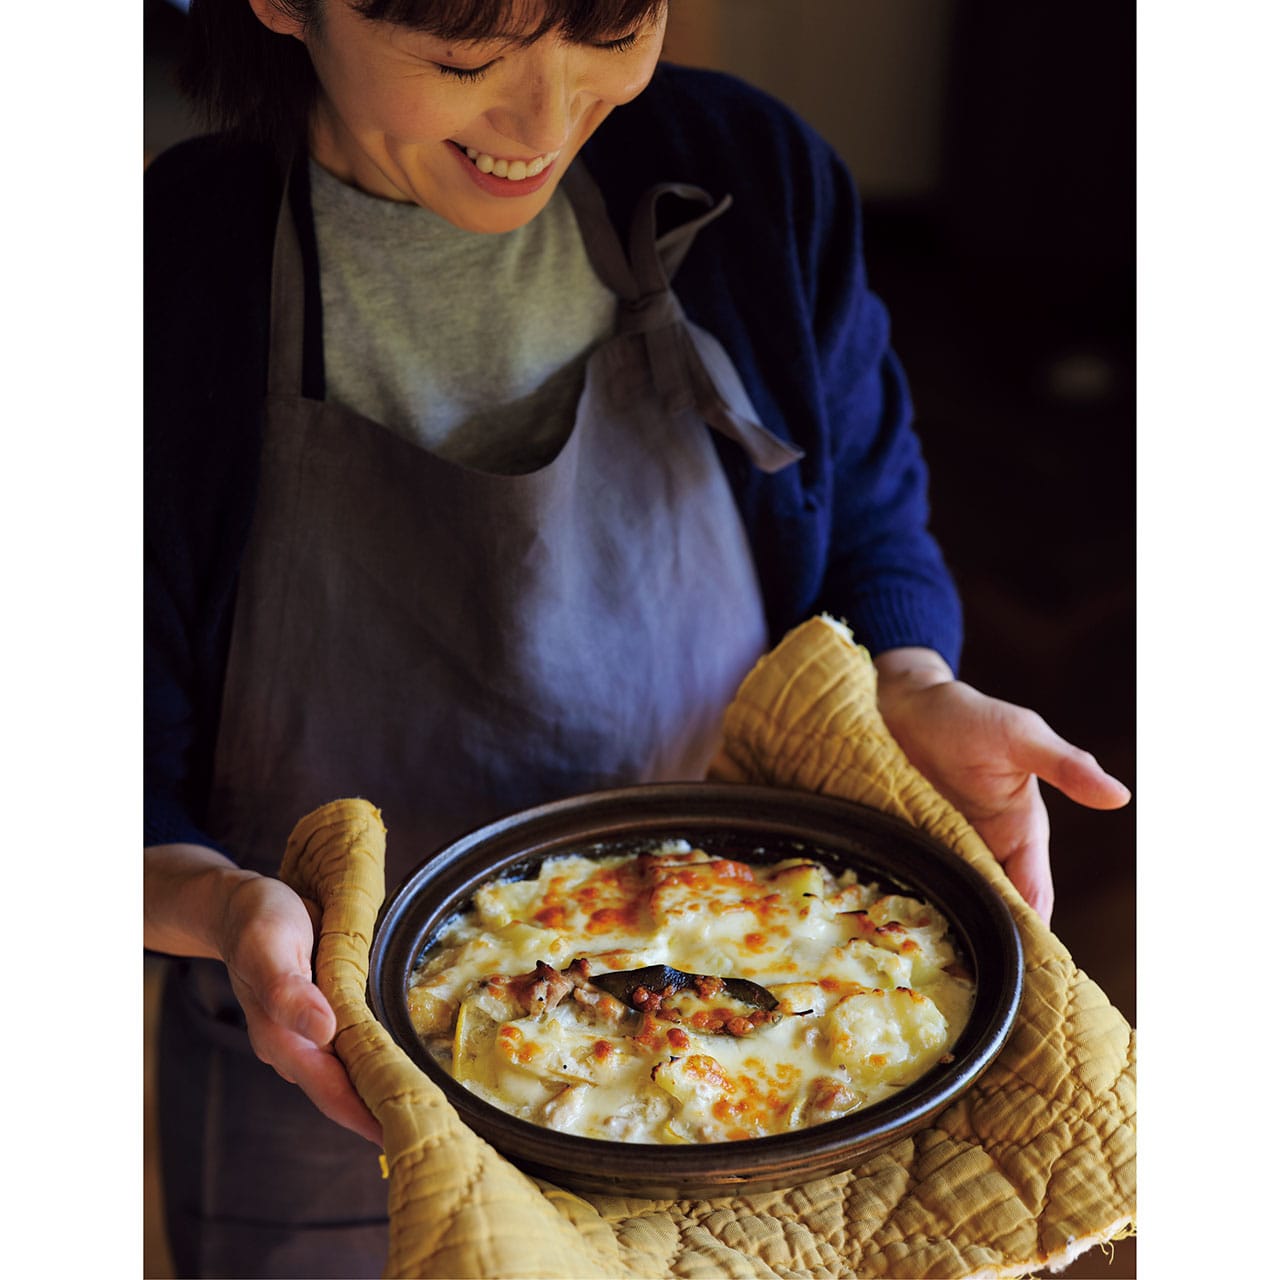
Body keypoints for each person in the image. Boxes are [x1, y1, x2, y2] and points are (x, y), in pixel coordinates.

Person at [144, 1, 1131, 1275]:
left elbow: (869, 529)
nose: (543, 121)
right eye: (465, 58)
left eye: (608, 26)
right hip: (326, 1082)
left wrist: (907, 678)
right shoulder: (165, 276)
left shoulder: (752, 176)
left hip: (759, 1039)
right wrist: (216, 904)